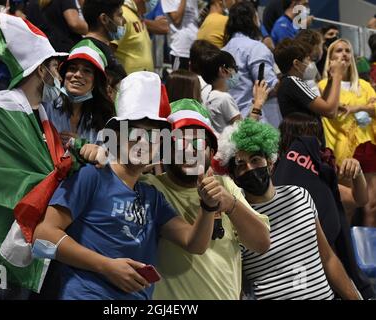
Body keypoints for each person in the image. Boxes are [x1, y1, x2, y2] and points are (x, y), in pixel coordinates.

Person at [33, 72, 222, 300]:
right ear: (116, 135)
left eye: (154, 136)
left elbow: (194, 243)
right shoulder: (92, 175)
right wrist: (106, 266)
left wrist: (208, 207)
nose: (144, 142)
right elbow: (43, 235)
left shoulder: (153, 198)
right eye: (134, 133)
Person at [0, 12, 81, 299]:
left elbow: (51, 166)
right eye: (54, 66)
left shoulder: (40, 113)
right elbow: (0, 175)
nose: (59, 75)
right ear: (40, 70)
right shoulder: (2, 107)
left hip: (33, 234)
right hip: (1, 231)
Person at [213, 118, 361, 300]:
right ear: (233, 176)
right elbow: (237, 284)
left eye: (255, 159)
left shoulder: (300, 195)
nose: (250, 168)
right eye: (241, 165)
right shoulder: (237, 219)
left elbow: (328, 258)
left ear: (270, 162)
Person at [140, 99, 270, 300]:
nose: (189, 151)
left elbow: (261, 244)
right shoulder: (149, 187)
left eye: (198, 142)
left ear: (211, 151)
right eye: (179, 142)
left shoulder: (225, 185)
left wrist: (230, 205)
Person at [274, 113, 375, 299]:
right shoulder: (273, 184)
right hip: (296, 278)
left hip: (331, 277)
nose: (315, 145)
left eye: (316, 136)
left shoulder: (322, 182)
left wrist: (357, 171)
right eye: (307, 137)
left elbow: (359, 199)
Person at [319, 39, 376, 227]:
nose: (344, 54)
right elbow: (330, 110)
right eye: (338, 51)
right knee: (348, 206)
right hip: (341, 150)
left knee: (371, 206)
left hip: (368, 147)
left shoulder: (364, 85)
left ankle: (369, 253)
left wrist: (356, 107)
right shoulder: (324, 85)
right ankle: (348, 252)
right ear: (330, 57)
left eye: (347, 51)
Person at [44, 39, 114, 145]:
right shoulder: (46, 103)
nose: (77, 74)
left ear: (96, 82)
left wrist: (82, 146)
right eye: (72, 68)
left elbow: (109, 157)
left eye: (86, 71)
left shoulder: (102, 116)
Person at [274, 38, 346, 138]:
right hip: (304, 145)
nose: (309, 63)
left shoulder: (289, 82)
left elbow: (322, 107)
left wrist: (330, 80)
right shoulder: (293, 82)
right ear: (296, 64)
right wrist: (338, 75)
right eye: (307, 59)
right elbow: (330, 111)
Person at [222, 2, 279, 124]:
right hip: (257, 123)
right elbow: (268, 86)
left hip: (231, 121)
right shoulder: (256, 48)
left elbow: (233, 83)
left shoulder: (223, 51)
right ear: (253, 19)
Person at [81, 0, 127, 96]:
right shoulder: (88, 51)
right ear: (104, 19)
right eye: (120, 15)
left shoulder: (102, 48)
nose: (124, 21)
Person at [112, 0, 154, 74]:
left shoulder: (136, 15)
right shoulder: (123, 14)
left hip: (141, 81)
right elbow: (110, 48)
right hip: (128, 82)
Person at [161, 0, 199, 70]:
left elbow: (196, 21)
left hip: (197, 48)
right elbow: (177, 20)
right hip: (181, 51)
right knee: (181, 80)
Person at [294, 29, 323, 96]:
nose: (322, 49)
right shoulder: (309, 67)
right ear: (316, 46)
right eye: (321, 45)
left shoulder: (310, 65)